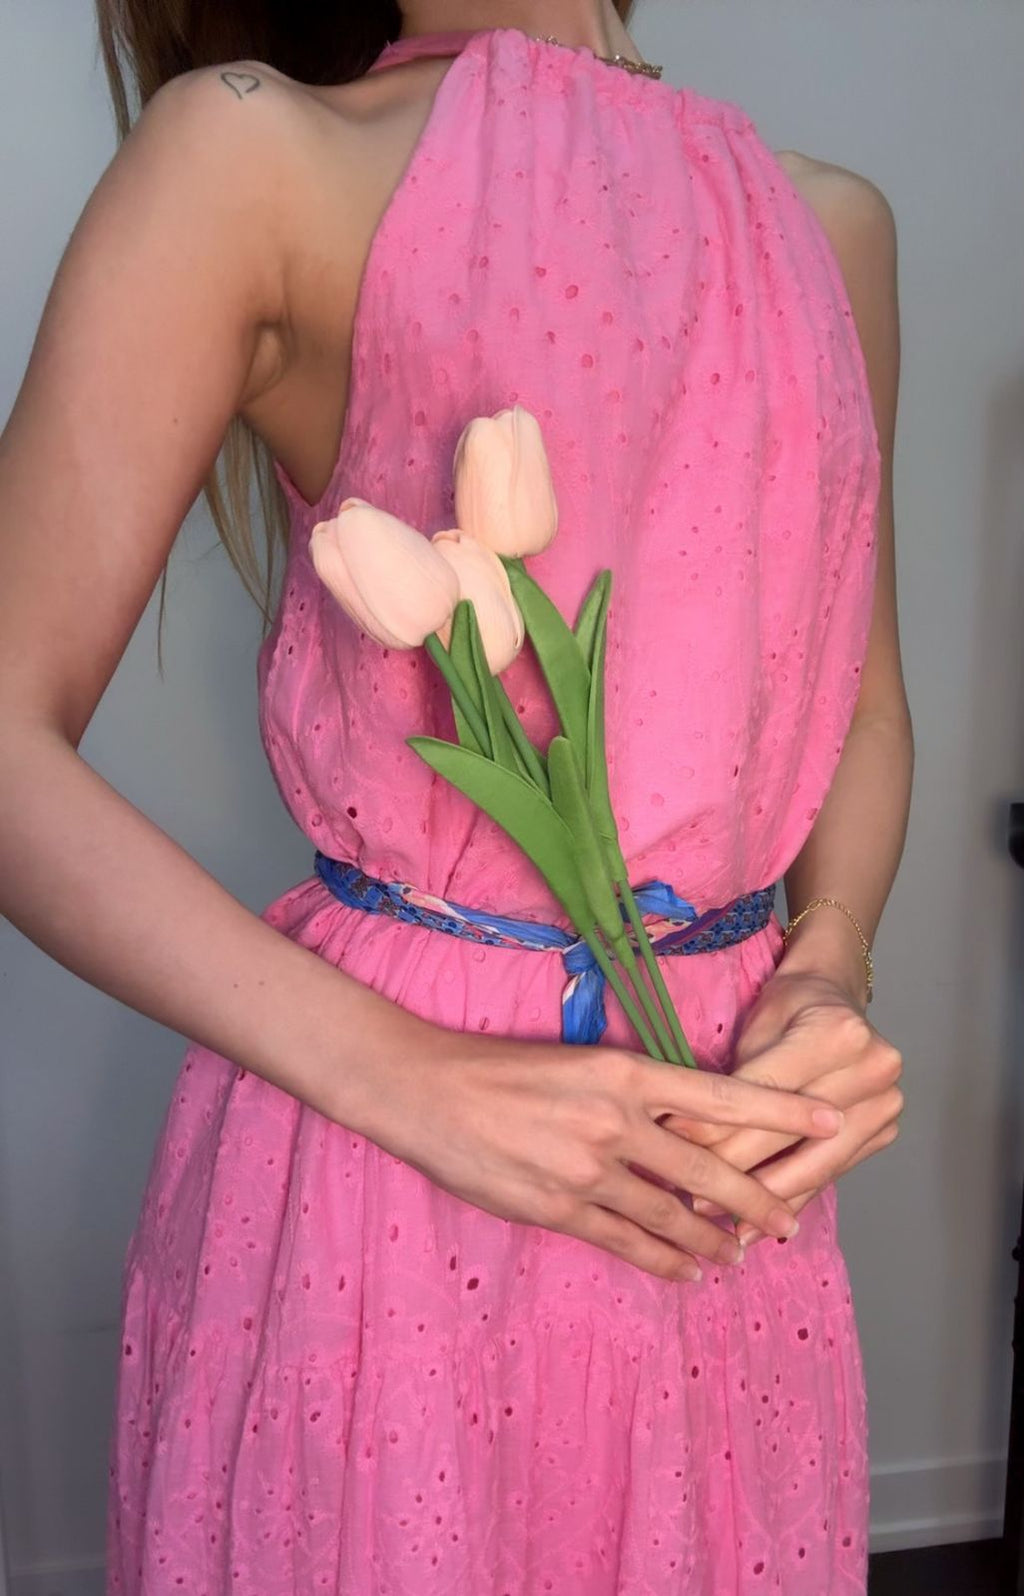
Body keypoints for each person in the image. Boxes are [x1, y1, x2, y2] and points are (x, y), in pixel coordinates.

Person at [0, 0, 912, 1590]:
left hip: (722, 1185)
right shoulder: (254, 153)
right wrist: (413, 1080)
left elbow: (859, 702)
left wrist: (828, 963)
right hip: (385, 1188)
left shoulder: (835, 226)